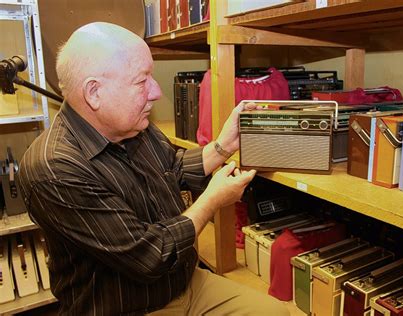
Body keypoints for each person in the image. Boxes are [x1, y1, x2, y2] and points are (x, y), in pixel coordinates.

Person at [18, 22, 289, 316]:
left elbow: (171, 170)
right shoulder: (55, 169)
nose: (157, 91)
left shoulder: (132, 125)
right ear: (94, 92)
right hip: (127, 307)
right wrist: (212, 200)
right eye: (142, 81)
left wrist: (222, 145)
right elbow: (151, 255)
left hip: (184, 282)